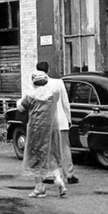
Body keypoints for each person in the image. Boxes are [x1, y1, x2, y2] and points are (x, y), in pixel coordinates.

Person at [16, 70, 66, 198]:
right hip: (52, 128)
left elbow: (21, 107)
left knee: (36, 156)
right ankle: (59, 179)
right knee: (52, 153)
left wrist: (20, 100)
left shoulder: (31, 96)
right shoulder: (54, 93)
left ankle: (39, 187)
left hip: (36, 129)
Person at [40, 62, 78, 185]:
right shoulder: (58, 82)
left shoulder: (37, 85)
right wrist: (68, 118)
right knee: (65, 149)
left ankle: (49, 175)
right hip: (60, 121)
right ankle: (69, 174)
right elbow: (65, 102)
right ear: (49, 70)